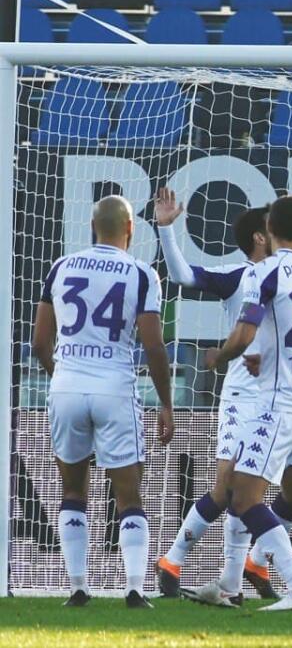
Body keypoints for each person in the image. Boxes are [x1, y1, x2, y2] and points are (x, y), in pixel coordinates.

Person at [154, 191, 292, 600]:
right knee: (228, 485)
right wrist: (166, 229)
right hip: (244, 393)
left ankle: (237, 576)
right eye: (272, 226)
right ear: (260, 236)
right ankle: (174, 559)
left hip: (284, 394)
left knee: (276, 488)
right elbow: (184, 276)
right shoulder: (240, 275)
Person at [32, 195, 174, 608]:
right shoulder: (142, 273)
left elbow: (40, 342)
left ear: (93, 227)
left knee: (72, 491)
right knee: (129, 495)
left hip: (67, 386)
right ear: (131, 229)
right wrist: (165, 404)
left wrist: (63, 380)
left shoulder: (62, 266)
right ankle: (133, 589)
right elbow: (153, 346)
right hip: (115, 389)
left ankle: (77, 588)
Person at [180, 196, 292, 611]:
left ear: (269, 230)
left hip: (275, 402)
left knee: (244, 496)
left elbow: (243, 333)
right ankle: (230, 583)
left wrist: (219, 357)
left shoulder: (265, 271)